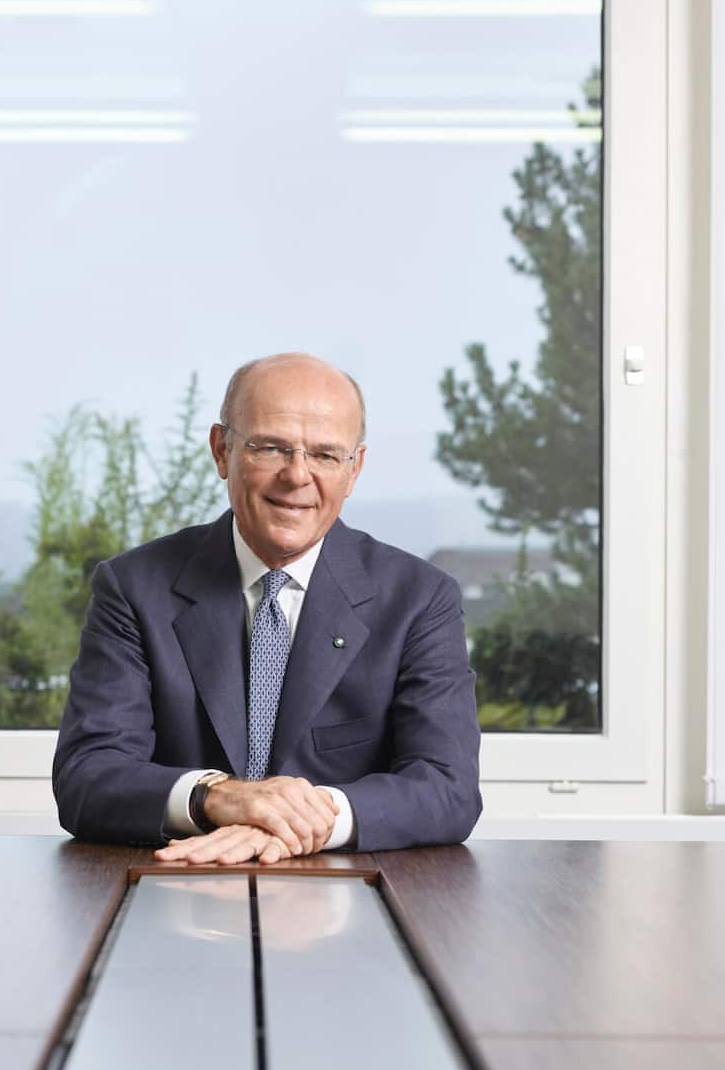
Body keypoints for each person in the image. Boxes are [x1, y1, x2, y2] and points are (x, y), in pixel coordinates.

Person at [52, 352, 482, 863]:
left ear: (354, 470)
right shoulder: (134, 587)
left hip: (350, 894)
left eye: (326, 455)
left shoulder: (418, 599)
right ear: (222, 451)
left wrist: (298, 822)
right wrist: (215, 797)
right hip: (176, 884)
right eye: (271, 448)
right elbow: (88, 775)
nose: (297, 475)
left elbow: (447, 787)